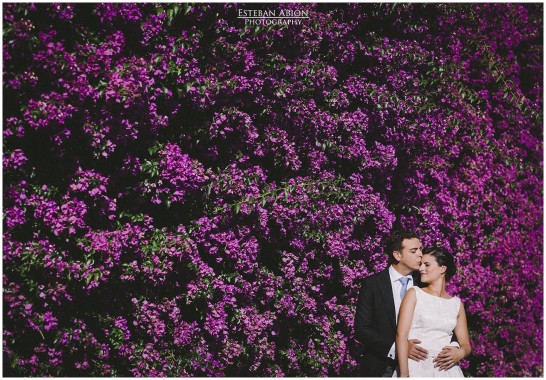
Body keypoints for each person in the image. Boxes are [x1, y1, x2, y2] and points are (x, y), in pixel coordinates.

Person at [354, 230, 429, 377]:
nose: (420, 254)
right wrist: (398, 348)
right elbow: (361, 329)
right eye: (414, 250)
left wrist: (456, 347)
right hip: (381, 365)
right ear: (397, 255)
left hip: (421, 365)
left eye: (420, 249)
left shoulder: (424, 285)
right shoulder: (373, 284)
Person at [396, 247, 471, 377]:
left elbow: (465, 344)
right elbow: (401, 335)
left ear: (442, 268)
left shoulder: (456, 304)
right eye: (421, 264)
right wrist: (404, 374)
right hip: (417, 367)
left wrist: (461, 352)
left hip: (448, 371)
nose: (421, 269)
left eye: (427, 264)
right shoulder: (414, 294)